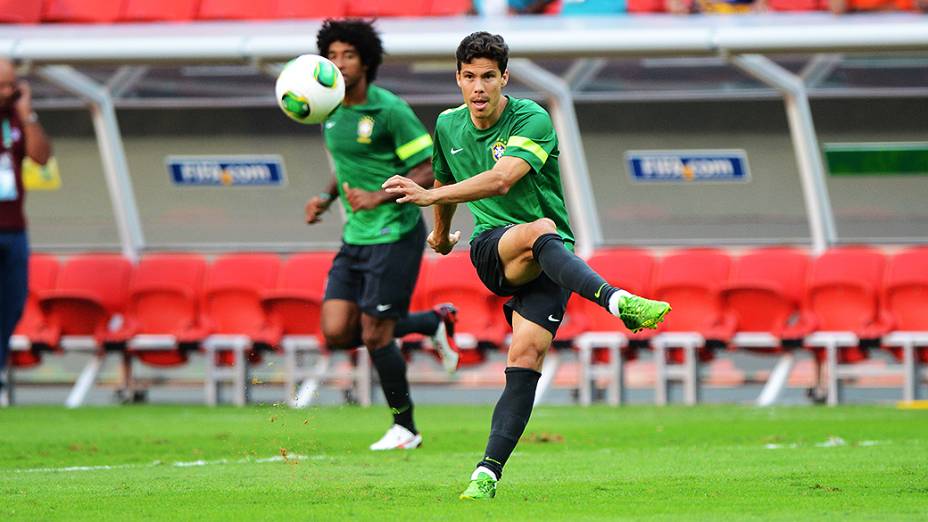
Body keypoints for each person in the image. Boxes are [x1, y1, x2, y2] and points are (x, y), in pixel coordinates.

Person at [383, 32, 671, 499]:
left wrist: (431, 198)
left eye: (489, 77)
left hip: (550, 260)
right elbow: (444, 174)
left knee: (526, 358)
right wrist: (438, 232)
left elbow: (501, 179)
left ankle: (486, 474)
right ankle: (616, 301)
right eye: (470, 77)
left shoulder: (531, 118)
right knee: (539, 228)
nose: (479, 87)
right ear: (458, 79)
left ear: (505, 78)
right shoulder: (448, 125)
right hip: (493, 249)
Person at [305, 19, 459, 451]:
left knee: (376, 335)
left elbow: (430, 167)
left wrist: (379, 196)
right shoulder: (329, 110)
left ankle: (406, 428)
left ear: (366, 61)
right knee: (337, 332)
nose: (338, 64)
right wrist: (325, 196)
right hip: (355, 238)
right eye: (332, 56)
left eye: (348, 55)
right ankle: (433, 323)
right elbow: (346, 164)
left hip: (395, 233)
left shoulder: (388, 109)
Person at [0, 59, 51, 405]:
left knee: (13, 303)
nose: (8, 92)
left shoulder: (17, 118)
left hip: (14, 230)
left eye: (12, 85)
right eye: (3, 86)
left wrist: (27, 113)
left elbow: (41, 157)